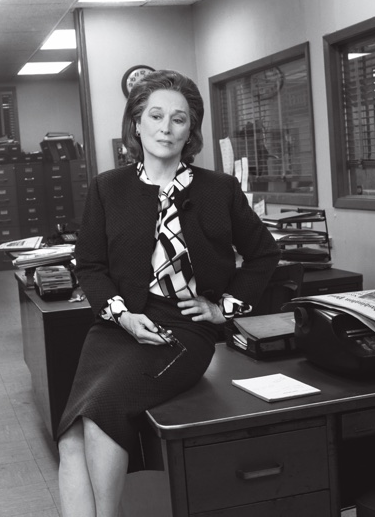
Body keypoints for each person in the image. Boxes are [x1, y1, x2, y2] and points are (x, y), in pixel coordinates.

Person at [56, 70, 281, 517]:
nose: (166, 128)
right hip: (117, 327)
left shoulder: (218, 189)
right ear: (136, 124)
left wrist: (223, 310)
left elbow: (263, 255)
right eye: (155, 116)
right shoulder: (108, 187)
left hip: (182, 332)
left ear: (190, 130)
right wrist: (122, 316)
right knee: (70, 435)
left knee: (100, 415)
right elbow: (92, 266)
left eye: (179, 119)